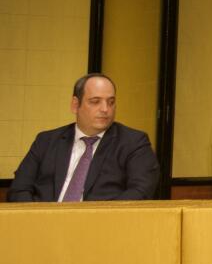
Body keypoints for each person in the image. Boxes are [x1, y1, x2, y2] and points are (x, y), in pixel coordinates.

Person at [7, 73, 159, 202]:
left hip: (101, 224)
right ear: (75, 105)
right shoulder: (46, 141)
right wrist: (37, 219)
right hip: (44, 221)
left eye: (111, 102)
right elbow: (19, 190)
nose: (105, 109)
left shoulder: (133, 143)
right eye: (95, 102)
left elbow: (140, 192)